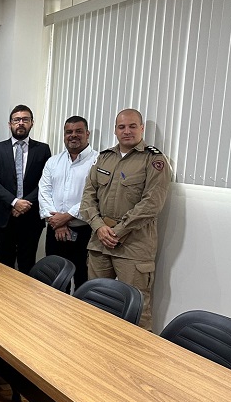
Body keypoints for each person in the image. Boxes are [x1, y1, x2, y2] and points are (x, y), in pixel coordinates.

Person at [80, 108, 172, 330]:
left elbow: (151, 204)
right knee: (95, 303)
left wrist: (118, 231)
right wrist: (99, 227)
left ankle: (139, 351)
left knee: (138, 311)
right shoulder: (104, 158)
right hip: (100, 243)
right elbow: (88, 197)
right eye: (121, 127)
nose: (127, 131)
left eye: (132, 126)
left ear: (142, 128)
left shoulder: (154, 160)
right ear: (115, 130)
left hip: (133, 246)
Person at [0, 105, 51, 274]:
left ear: (32, 123)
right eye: (16, 120)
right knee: (4, 264)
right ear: (10, 124)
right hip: (4, 215)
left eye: (25, 120)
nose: (21, 123)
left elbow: (46, 182)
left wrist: (25, 203)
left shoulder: (42, 149)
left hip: (31, 216)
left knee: (27, 264)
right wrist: (14, 202)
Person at [38, 115, 98, 289]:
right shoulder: (53, 161)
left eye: (78, 131)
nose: (73, 135)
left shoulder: (98, 161)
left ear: (87, 134)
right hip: (55, 230)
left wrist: (67, 217)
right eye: (69, 132)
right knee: (54, 282)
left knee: (82, 281)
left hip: (84, 231)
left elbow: (95, 196)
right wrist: (57, 222)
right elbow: (44, 192)